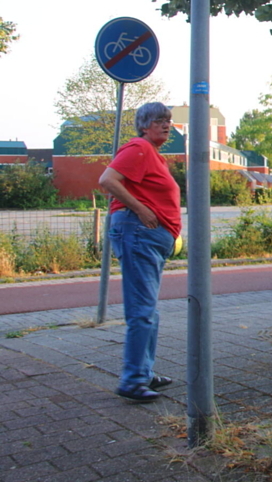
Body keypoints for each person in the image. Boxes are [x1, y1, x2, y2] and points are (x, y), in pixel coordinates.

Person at [98, 102, 181, 403]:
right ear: (144, 124)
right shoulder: (139, 148)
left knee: (149, 311)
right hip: (138, 235)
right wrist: (141, 208)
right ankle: (133, 380)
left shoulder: (153, 154)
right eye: (160, 120)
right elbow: (107, 180)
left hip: (148, 239)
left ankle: (143, 373)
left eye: (169, 120)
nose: (166, 124)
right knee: (142, 311)